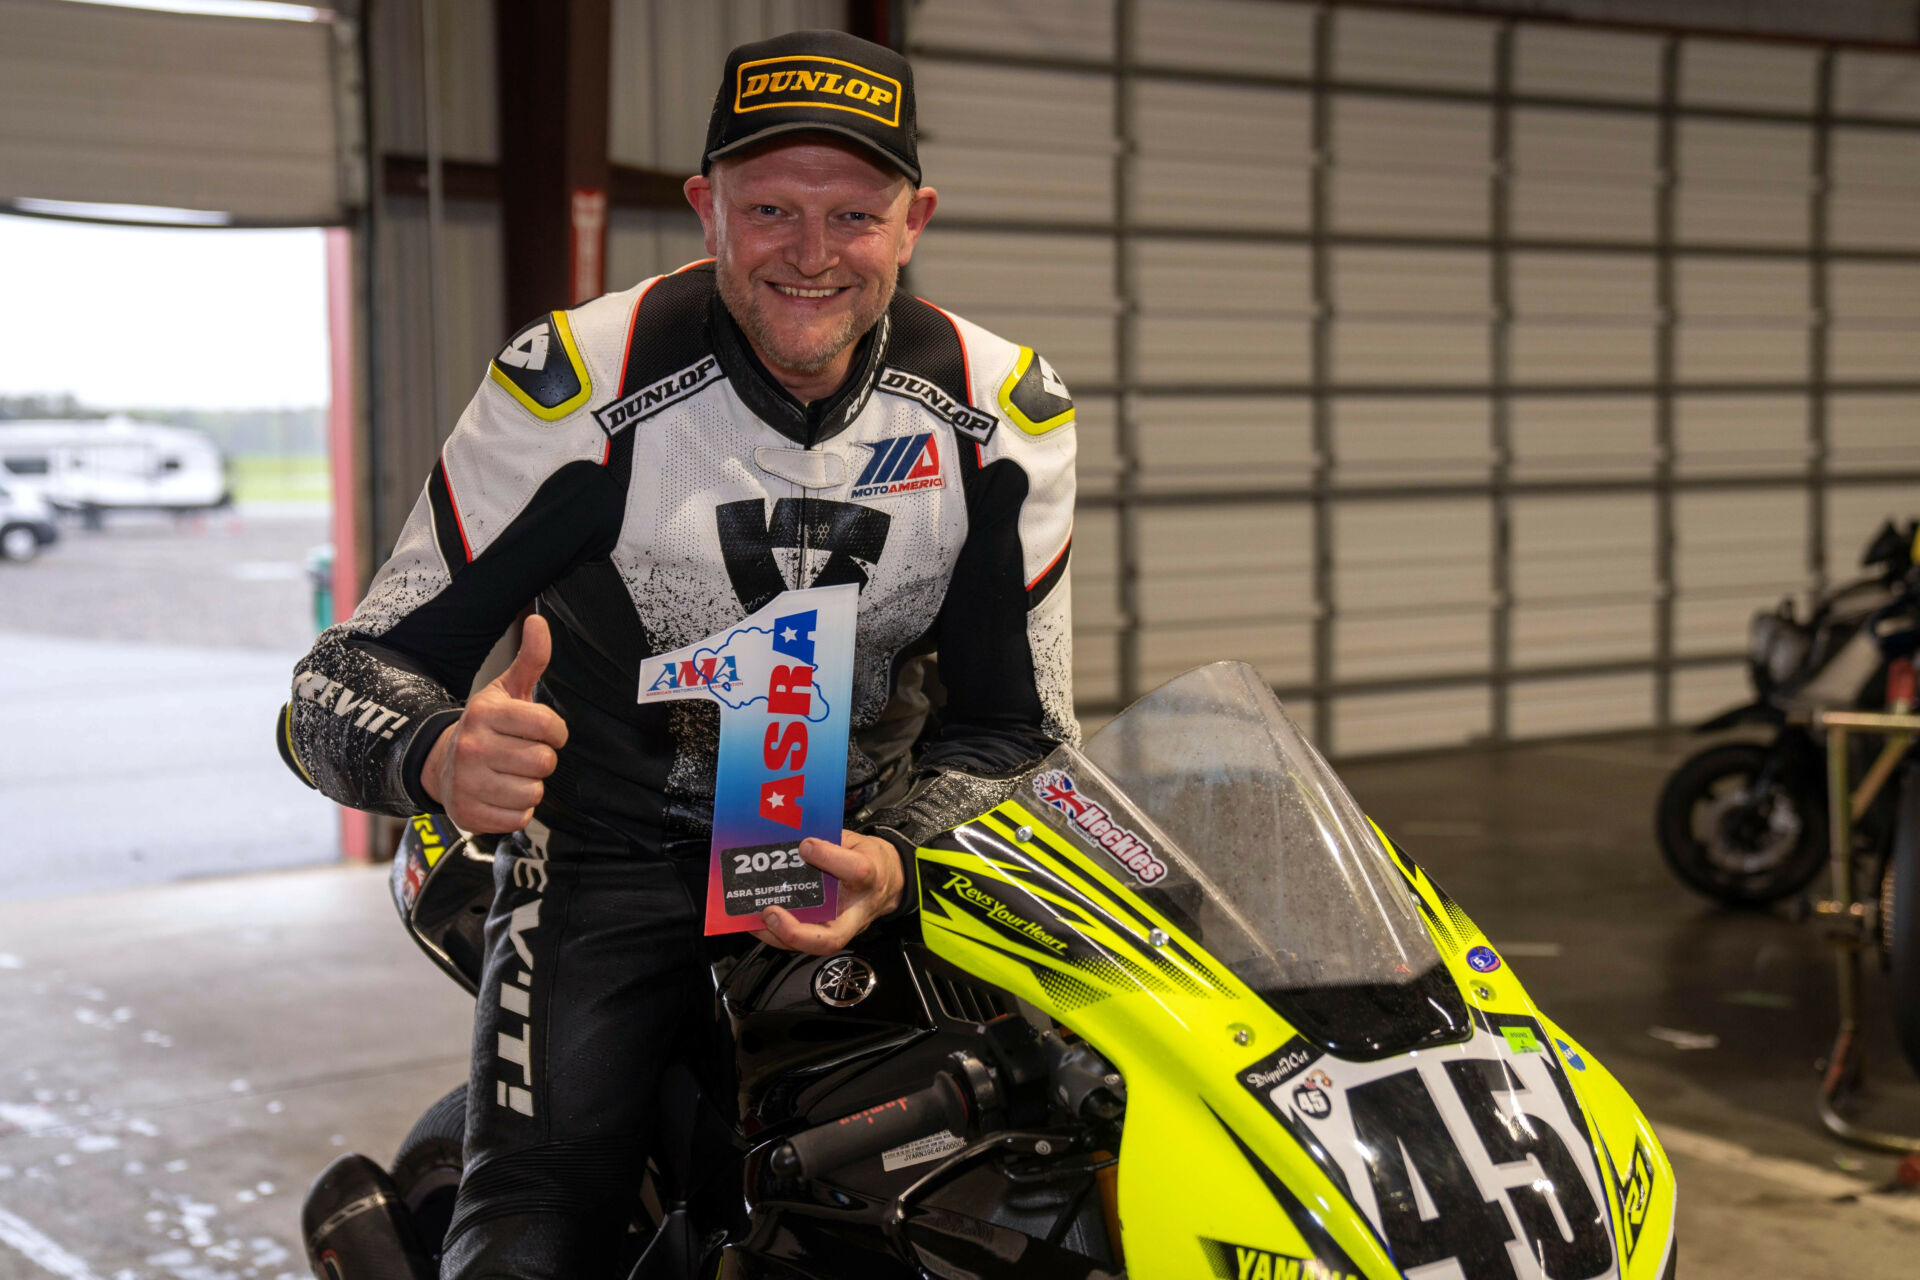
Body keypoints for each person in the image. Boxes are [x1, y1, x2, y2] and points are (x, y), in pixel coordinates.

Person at [276, 28, 1078, 1279]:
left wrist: (900, 853)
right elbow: (333, 685)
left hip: (865, 851)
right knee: (538, 1209)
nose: (810, 255)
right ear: (706, 207)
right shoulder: (575, 383)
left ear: (913, 219)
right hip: (603, 855)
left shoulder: (1000, 412)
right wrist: (439, 753)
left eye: (852, 215)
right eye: (770, 207)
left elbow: (1017, 730)